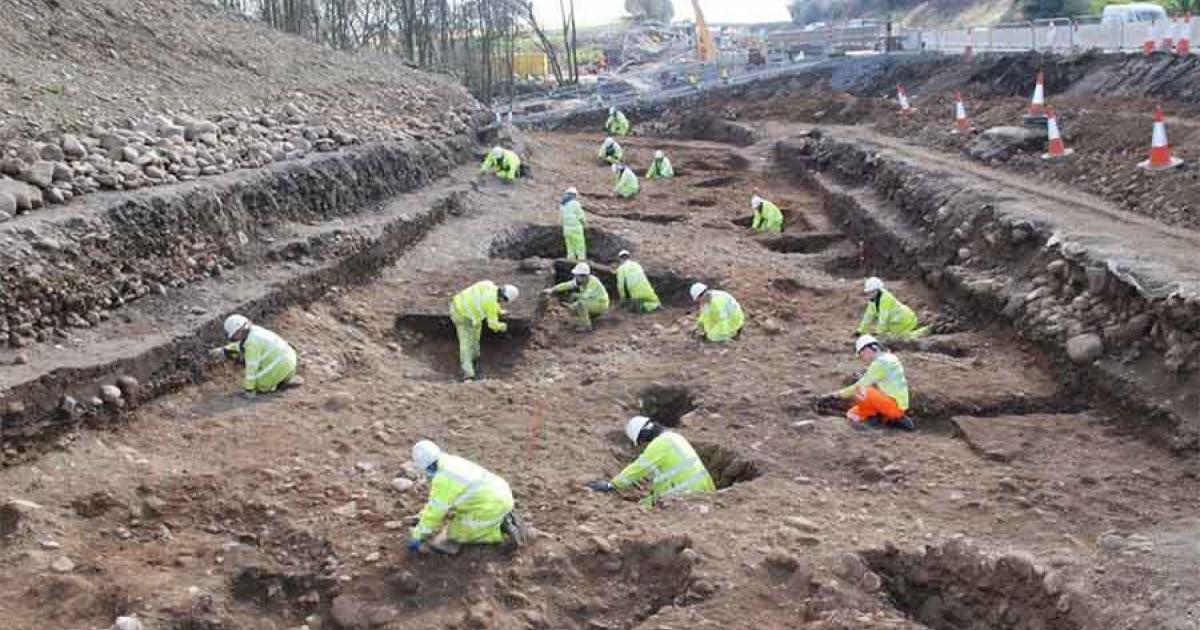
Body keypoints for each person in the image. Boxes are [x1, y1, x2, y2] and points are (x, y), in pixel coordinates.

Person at [407, 440, 525, 554]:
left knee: (455, 533)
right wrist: (422, 516)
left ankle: (502, 533)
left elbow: (436, 511)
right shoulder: (450, 461)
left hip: (491, 506)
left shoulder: (443, 479)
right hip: (501, 493)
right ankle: (501, 517)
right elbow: (438, 503)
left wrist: (418, 535)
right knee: (455, 515)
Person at [585, 416, 715, 507]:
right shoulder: (675, 437)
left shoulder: (660, 443)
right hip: (705, 491)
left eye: (642, 442)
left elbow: (639, 468)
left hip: (687, 496)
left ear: (644, 434)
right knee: (645, 505)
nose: (645, 445)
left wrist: (612, 485)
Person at [835, 335, 914, 431]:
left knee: (861, 391)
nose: (862, 358)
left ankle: (893, 418)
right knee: (851, 414)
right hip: (894, 403)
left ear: (867, 349)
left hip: (895, 406)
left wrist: (838, 395)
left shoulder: (881, 363)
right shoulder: (890, 357)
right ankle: (879, 418)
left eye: (861, 354)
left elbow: (861, 385)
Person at [449, 280, 520, 381]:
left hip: (465, 306)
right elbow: (492, 325)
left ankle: (475, 358)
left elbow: (490, 301)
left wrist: (499, 311)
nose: (502, 303)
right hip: (460, 312)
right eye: (503, 301)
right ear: (503, 298)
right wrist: (503, 326)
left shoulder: (489, 284)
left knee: (476, 334)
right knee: (466, 342)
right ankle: (468, 373)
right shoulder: (490, 304)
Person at [214, 314, 300, 396]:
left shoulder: (252, 344)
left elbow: (251, 369)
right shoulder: (255, 330)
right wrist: (225, 349)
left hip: (279, 369)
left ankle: (275, 386)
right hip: (290, 363)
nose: (234, 338)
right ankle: (283, 380)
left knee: (255, 383)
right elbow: (241, 345)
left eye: (234, 336)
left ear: (238, 331)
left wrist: (249, 390)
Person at [857, 277, 931, 341]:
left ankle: (927, 330)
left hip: (906, 321)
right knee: (893, 336)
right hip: (896, 324)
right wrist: (860, 330)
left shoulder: (886, 298)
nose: (869, 294)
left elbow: (884, 318)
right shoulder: (873, 300)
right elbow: (868, 316)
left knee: (904, 338)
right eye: (869, 292)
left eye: (871, 292)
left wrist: (879, 333)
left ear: (877, 290)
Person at [545, 262, 610, 332]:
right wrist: (552, 289)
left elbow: (585, 296)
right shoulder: (581, 281)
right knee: (573, 309)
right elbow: (567, 285)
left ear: (584, 276)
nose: (576, 277)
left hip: (600, 303)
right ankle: (588, 318)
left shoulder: (593, 283)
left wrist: (575, 296)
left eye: (577, 275)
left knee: (580, 304)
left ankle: (586, 326)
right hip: (592, 302)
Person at [559, 187, 587, 262]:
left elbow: (561, 218)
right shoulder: (575, 204)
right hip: (576, 228)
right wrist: (584, 222)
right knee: (579, 245)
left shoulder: (562, 205)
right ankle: (581, 260)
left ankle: (571, 259)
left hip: (566, 229)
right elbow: (580, 216)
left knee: (570, 246)